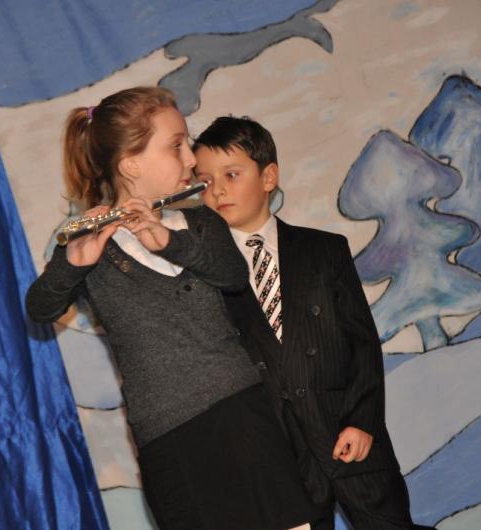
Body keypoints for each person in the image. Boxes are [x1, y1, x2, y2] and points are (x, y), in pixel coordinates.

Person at [25, 88, 316, 530]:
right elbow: (40, 307)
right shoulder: (92, 244)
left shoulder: (201, 223)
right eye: (176, 145)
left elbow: (233, 275)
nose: (192, 159)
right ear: (131, 164)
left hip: (245, 415)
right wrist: (72, 264)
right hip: (171, 440)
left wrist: (169, 241)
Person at [193, 116, 435, 530]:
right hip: (279, 460)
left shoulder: (324, 250)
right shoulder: (206, 277)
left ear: (268, 177)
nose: (217, 190)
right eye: (204, 181)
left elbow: (362, 344)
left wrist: (362, 420)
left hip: (350, 438)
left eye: (231, 175)